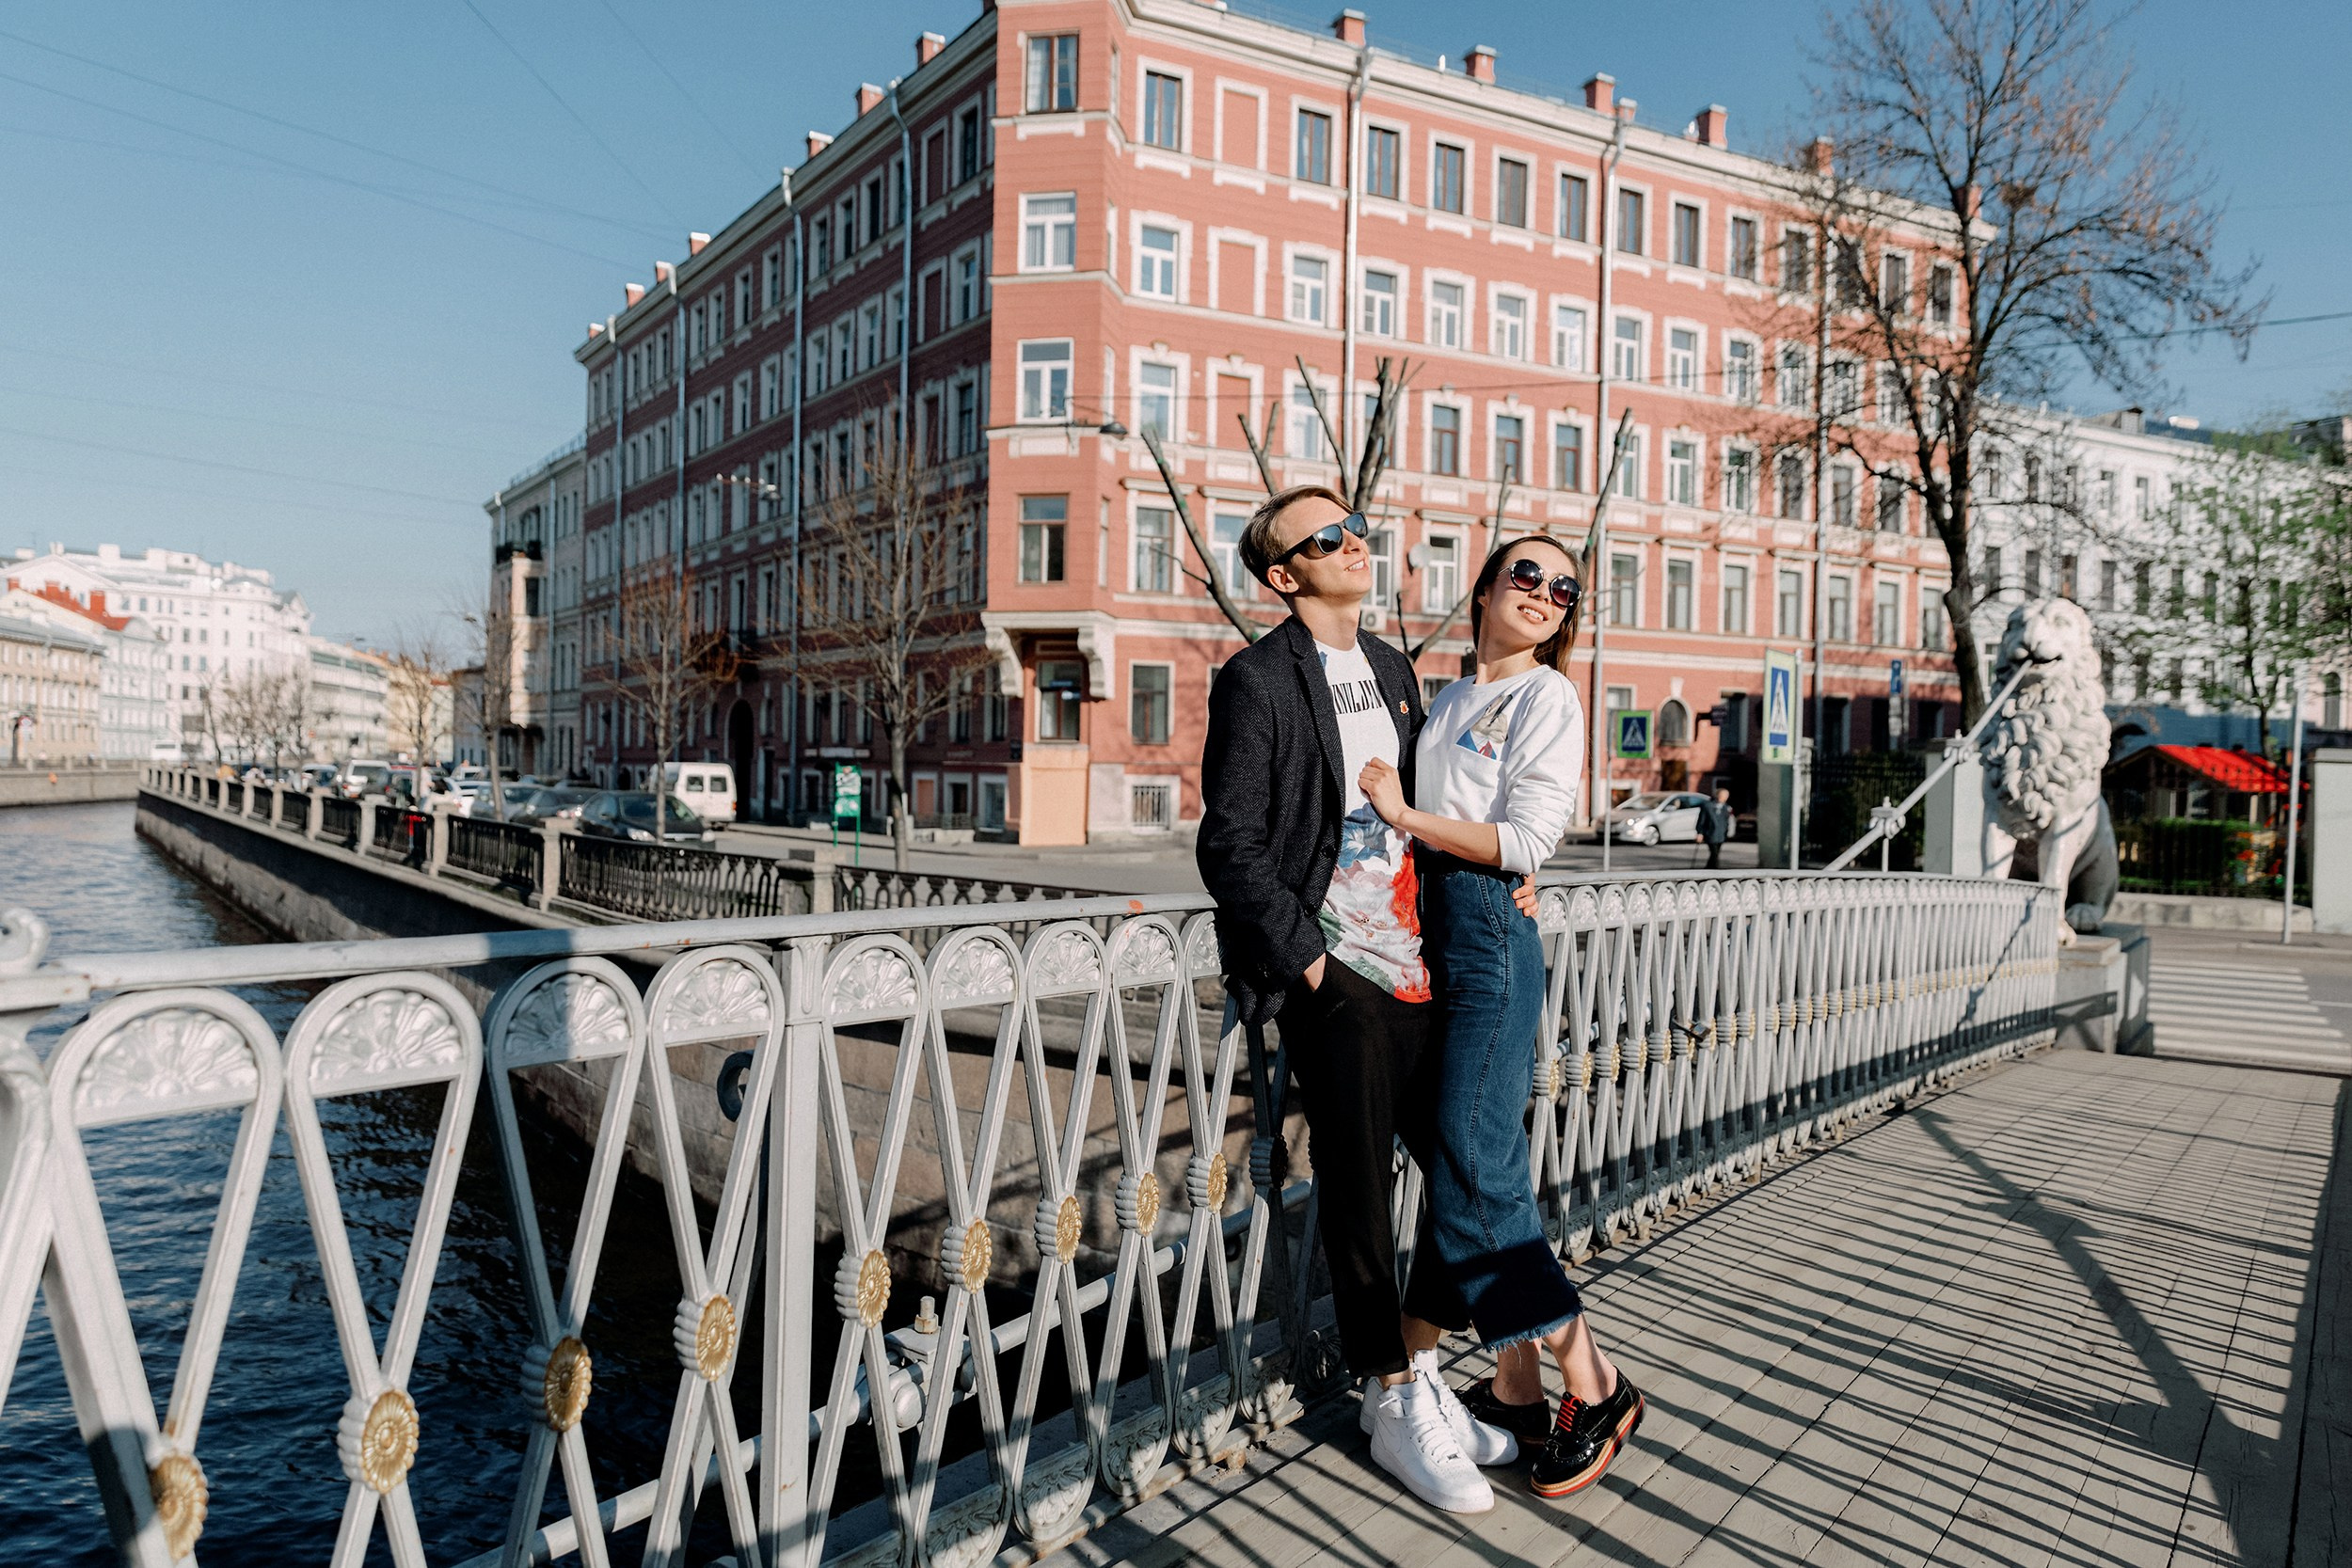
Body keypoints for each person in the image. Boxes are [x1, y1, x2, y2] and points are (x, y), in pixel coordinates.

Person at [1198, 484, 1518, 1515]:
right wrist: (1310, 964)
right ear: (1284, 574)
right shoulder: (1256, 680)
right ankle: (1388, 1391)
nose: (1354, 543)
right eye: (1326, 537)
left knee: (1470, 1173)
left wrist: (1506, 864)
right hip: (1338, 977)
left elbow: (1427, 813)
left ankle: (1419, 1368)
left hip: (1422, 959)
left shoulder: (1391, 669)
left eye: (1357, 528)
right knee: (1358, 1190)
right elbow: (1229, 842)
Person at [1359, 532, 1646, 1500]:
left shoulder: (1547, 696)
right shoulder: (1448, 696)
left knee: (1474, 1155)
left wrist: (1408, 819)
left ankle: (1591, 1377)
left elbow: (1524, 838)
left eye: (1563, 588)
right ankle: (1516, 1387)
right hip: (1434, 926)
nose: (1544, 593)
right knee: (1454, 1157)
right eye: (1525, 574)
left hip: (1484, 931)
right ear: (1481, 587)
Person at [1700, 783, 1735, 869]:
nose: (1725, 797)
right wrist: (1700, 832)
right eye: (1724, 795)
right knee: (1714, 853)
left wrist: (1727, 831)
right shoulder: (1708, 806)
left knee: (1715, 853)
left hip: (1721, 834)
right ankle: (1715, 869)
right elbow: (1702, 820)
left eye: (1727, 795)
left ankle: (1709, 868)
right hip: (1710, 833)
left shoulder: (1726, 807)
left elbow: (1726, 821)